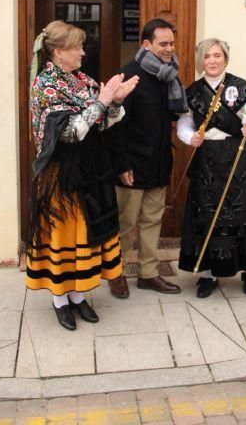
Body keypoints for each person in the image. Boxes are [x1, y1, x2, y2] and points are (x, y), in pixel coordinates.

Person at [26, 20, 138, 330]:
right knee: (64, 236)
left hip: (89, 171)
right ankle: (60, 299)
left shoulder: (80, 79)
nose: (82, 52)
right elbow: (71, 133)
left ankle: (76, 296)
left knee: (82, 236)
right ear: (59, 52)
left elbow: (104, 123)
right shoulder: (46, 84)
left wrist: (115, 102)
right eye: (77, 47)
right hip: (61, 176)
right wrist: (103, 101)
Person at [177, 38, 246, 298]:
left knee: (245, 213)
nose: (212, 61)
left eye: (217, 56)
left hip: (237, 159)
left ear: (225, 59)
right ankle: (211, 274)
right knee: (209, 216)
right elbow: (183, 124)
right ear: (201, 60)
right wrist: (190, 138)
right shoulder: (192, 92)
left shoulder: (239, 87)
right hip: (207, 161)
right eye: (207, 56)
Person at [108, 18, 189, 298]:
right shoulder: (127, 76)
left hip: (159, 163)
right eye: (163, 43)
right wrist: (122, 164)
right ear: (146, 44)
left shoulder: (168, 76)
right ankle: (115, 273)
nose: (170, 48)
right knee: (126, 223)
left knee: (152, 220)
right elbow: (114, 124)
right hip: (132, 166)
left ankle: (148, 274)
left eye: (172, 43)